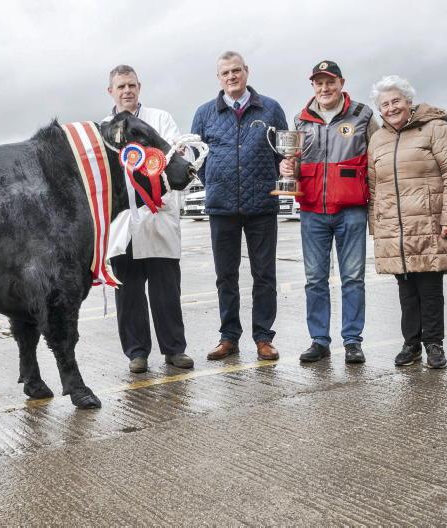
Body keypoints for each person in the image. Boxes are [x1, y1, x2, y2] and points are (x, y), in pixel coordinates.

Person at [367, 75, 447, 369]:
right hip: (395, 229)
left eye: (396, 100)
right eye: (385, 104)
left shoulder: (435, 128)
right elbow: (374, 188)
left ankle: (434, 344)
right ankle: (410, 344)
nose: (391, 107)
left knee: (430, 287)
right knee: (406, 289)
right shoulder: (378, 139)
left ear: (409, 102)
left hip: (429, 222)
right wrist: (378, 227)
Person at [280, 60, 378, 364]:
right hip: (312, 211)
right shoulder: (300, 120)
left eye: (330, 82)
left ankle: (352, 341)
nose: (325, 88)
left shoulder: (362, 116)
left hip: (351, 210)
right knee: (315, 279)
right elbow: (293, 161)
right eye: (319, 83)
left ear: (341, 83)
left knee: (352, 278)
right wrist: (287, 167)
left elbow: (378, 159)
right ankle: (319, 340)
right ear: (313, 86)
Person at [191, 51, 286, 362]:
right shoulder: (204, 113)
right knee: (226, 276)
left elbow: (283, 155)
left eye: (236, 71)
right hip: (222, 208)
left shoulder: (271, 109)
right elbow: (197, 160)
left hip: (262, 206)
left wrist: (273, 179)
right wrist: (216, 183)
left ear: (247, 72)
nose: (231, 77)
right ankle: (229, 337)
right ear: (218, 78)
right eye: (225, 73)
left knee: (264, 275)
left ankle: (263, 337)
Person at [103, 64, 193, 374]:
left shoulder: (161, 119)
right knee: (128, 292)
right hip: (122, 221)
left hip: (158, 214)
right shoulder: (104, 128)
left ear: (139, 86)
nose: (127, 90)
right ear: (111, 92)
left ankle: (174, 349)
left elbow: (173, 159)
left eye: (131, 85)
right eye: (121, 86)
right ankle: (137, 352)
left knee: (166, 289)